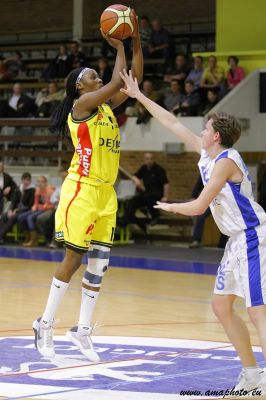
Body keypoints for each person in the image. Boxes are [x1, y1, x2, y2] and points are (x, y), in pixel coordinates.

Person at [119, 69, 266, 392]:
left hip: (254, 238)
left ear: (216, 135)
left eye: (206, 127)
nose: (202, 130)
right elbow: (171, 122)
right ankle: (253, 374)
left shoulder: (227, 161)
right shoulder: (207, 152)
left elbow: (199, 206)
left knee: (257, 311)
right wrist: (139, 96)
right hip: (236, 241)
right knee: (220, 306)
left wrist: (171, 206)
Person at [32, 20, 143, 361]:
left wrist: (135, 39)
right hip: (81, 189)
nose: (98, 77)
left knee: (99, 264)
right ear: (80, 87)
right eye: (91, 75)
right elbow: (115, 81)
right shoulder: (81, 109)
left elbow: (131, 80)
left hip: (106, 193)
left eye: (98, 74)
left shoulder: (107, 109)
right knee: (74, 258)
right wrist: (119, 47)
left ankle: (81, 329)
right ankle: (45, 322)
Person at [121, 152, 169, 231]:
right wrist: (137, 181)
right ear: (144, 160)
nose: (149, 161)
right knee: (133, 200)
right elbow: (134, 176)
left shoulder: (159, 169)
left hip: (157, 193)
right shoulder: (144, 168)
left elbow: (166, 184)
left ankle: (155, 216)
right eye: (147, 159)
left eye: (151, 159)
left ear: (153, 160)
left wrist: (165, 196)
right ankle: (125, 220)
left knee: (149, 197)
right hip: (147, 193)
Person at [0, 172, 35, 245]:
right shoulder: (18, 189)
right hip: (14, 210)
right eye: (24, 180)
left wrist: (16, 210)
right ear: (22, 180)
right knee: (4, 216)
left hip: (25, 210)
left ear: (30, 181)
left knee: (12, 218)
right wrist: (10, 209)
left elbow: (30, 205)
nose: (26, 182)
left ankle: (0, 236)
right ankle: (3, 237)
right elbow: (13, 201)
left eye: (28, 180)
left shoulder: (32, 190)